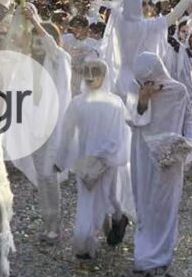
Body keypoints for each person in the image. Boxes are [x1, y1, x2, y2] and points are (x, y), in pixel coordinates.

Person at [127, 52, 192, 277]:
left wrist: (188, 145)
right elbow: (132, 120)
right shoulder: (136, 90)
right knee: (145, 203)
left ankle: (160, 257)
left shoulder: (178, 91)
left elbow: (190, 121)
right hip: (143, 156)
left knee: (165, 205)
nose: (147, 83)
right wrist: (143, 100)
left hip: (170, 157)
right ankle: (143, 254)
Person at [56, 59, 134, 258]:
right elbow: (67, 132)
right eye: (87, 71)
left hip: (108, 161)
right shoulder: (77, 103)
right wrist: (60, 159)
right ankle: (84, 241)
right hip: (86, 163)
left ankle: (119, 219)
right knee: (87, 200)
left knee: (111, 197)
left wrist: (108, 156)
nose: (90, 76)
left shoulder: (115, 103)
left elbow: (122, 132)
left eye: (96, 71)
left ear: (104, 76)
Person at [11, 5, 72, 243]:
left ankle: (55, 225)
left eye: (41, 40)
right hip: (34, 128)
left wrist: (35, 21)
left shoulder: (58, 59)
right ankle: (48, 224)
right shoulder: (27, 64)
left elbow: (52, 48)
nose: (37, 44)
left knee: (49, 174)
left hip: (53, 126)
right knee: (41, 177)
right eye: (34, 40)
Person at [101, 0, 192, 98]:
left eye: (149, 3)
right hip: (136, 80)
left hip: (130, 79)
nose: (148, 7)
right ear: (132, 5)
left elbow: (116, 5)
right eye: (143, 4)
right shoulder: (146, 25)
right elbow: (173, 17)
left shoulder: (123, 23)